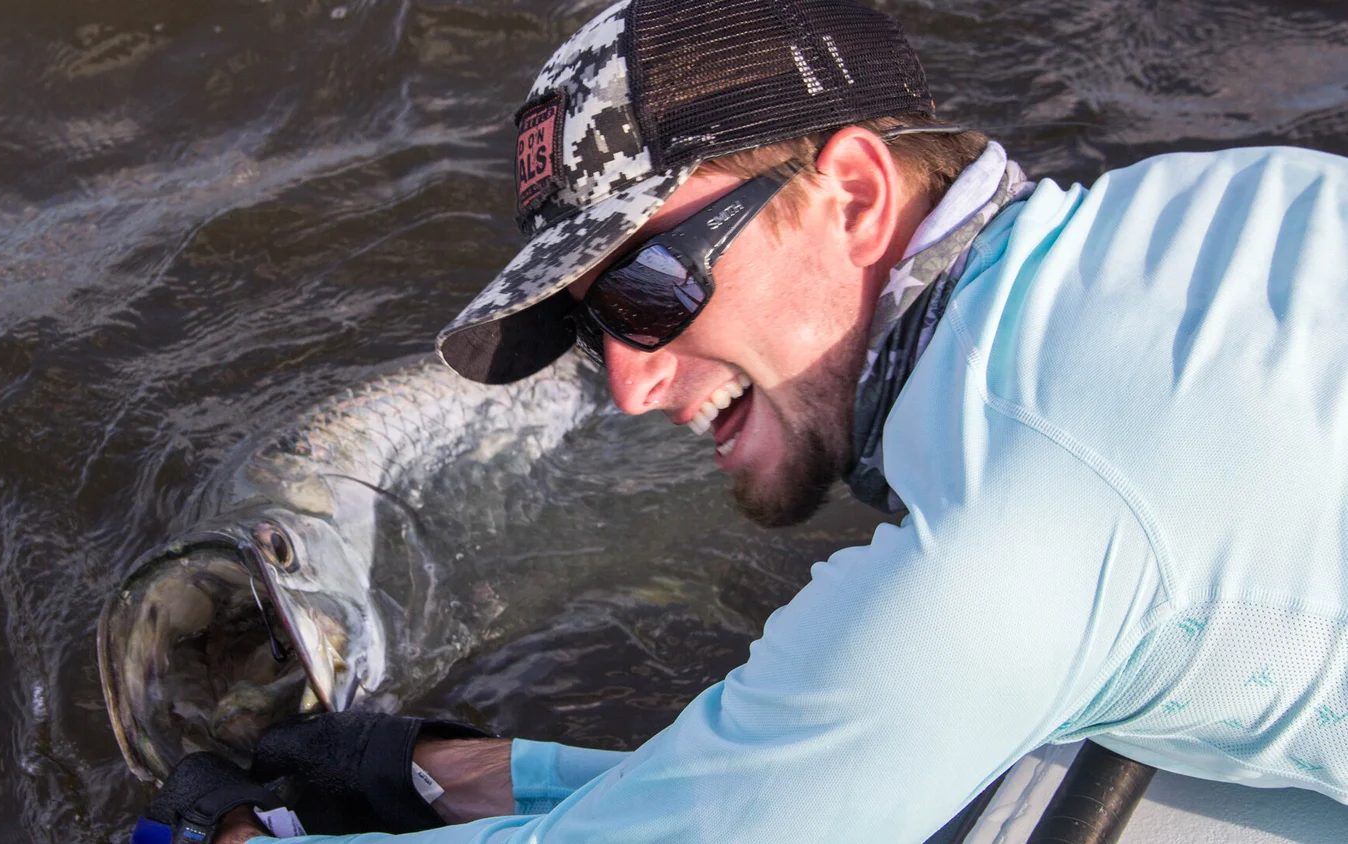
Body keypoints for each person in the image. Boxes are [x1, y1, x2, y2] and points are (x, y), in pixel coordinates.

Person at [133, 0, 1348, 842]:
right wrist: (466, 772)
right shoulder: (1212, 202)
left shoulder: (1012, 530)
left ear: (857, 194)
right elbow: (782, 778)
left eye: (645, 292)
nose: (624, 383)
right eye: (585, 325)